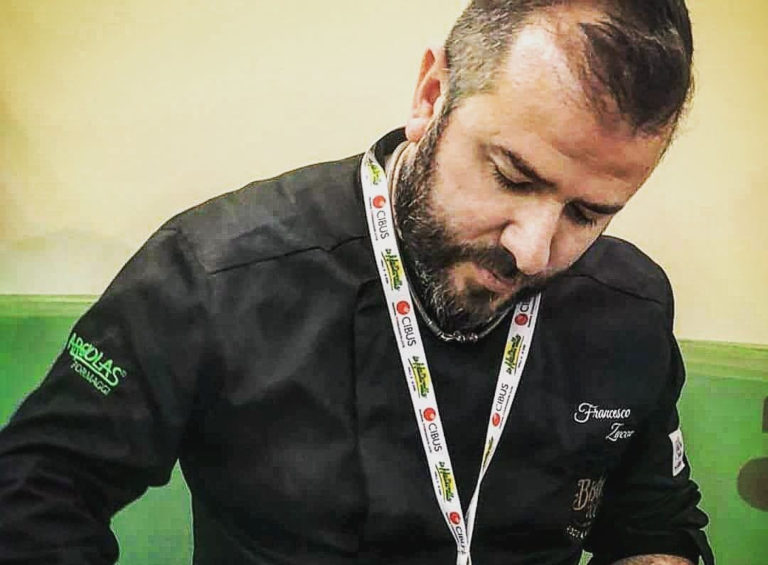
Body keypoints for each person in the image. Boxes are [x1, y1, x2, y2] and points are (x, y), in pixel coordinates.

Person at [0, 1, 714, 564]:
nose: (533, 252)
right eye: (511, 175)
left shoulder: (631, 309)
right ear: (432, 96)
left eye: (588, 214)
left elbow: (655, 522)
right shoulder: (212, 274)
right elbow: (36, 489)